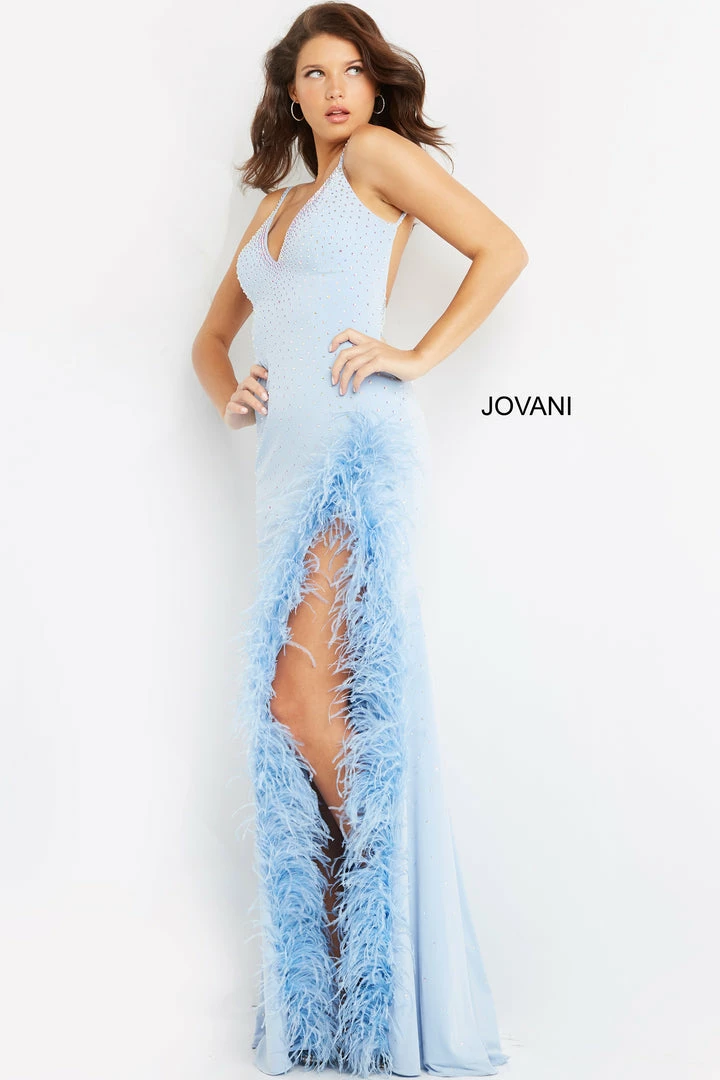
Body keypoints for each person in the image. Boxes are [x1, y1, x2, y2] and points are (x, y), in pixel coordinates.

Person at [192, 4, 528, 1076]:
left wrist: (414, 355)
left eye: (352, 71)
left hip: (352, 452)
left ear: (376, 87)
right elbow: (209, 338)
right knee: (302, 712)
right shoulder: (276, 206)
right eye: (315, 74)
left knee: (308, 703)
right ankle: (355, 960)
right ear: (290, 94)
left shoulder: (377, 160)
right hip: (280, 472)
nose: (336, 89)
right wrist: (231, 388)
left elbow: (502, 250)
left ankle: (380, 935)